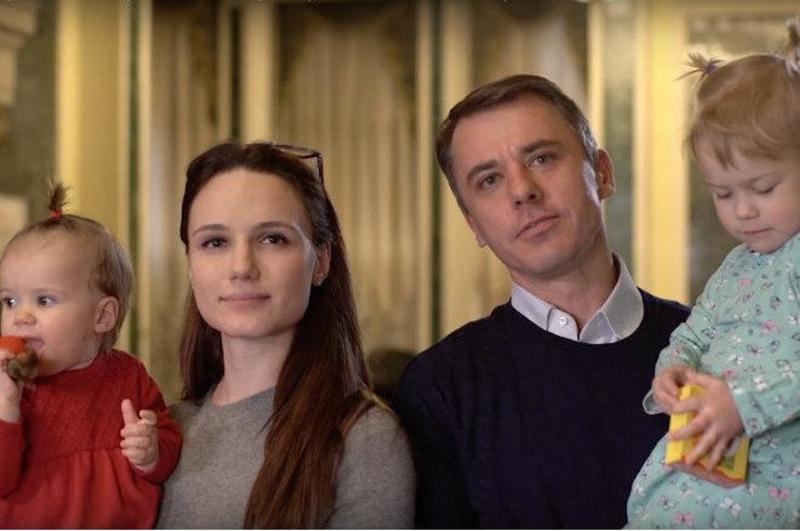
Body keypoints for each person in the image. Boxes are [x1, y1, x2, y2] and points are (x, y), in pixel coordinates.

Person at [393, 74, 690, 528]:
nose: (522, 191)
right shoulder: (440, 388)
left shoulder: (715, 349)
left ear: (603, 173)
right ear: (473, 224)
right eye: (489, 180)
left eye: (542, 158)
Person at [156, 141, 415, 528]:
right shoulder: (162, 432)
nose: (241, 267)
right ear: (191, 267)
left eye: (273, 239)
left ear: (321, 262)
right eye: (215, 242)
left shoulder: (364, 439)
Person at [627, 20, 800, 529]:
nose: (743, 210)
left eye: (763, 188)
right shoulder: (737, 264)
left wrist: (743, 404)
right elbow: (695, 332)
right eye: (723, 193)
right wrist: (673, 369)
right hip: (700, 478)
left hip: (775, 484)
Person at [0, 184, 182, 528]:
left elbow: (169, 443)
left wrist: (153, 451)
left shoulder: (130, 375)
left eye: (43, 300)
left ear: (102, 316)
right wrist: (6, 407)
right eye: (9, 301)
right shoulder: (8, 386)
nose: (20, 316)